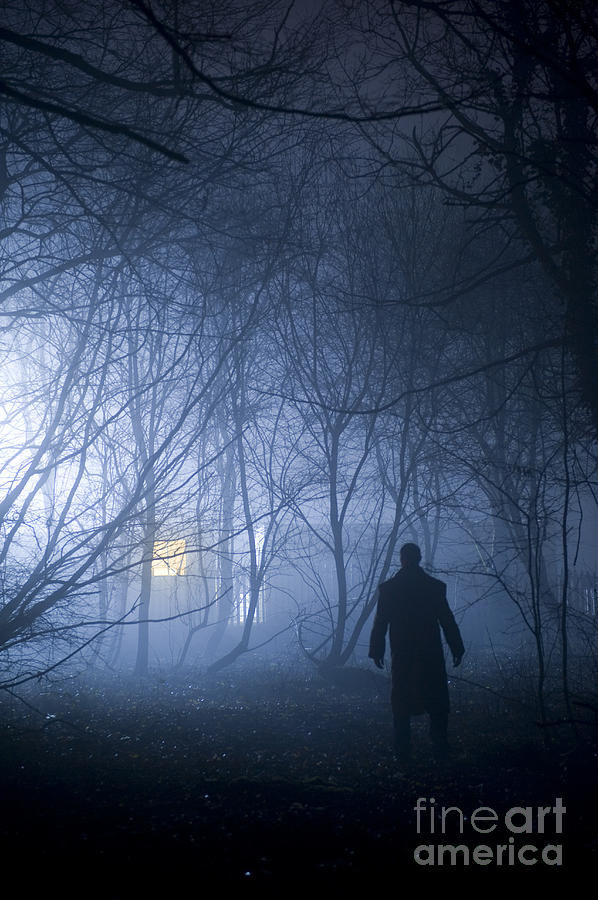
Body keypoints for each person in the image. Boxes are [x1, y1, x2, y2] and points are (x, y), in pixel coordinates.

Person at [369, 542, 464, 763]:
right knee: (437, 699)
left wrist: (377, 650)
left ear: (402, 559)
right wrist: (457, 647)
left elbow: (381, 622)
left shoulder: (389, 589)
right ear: (419, 558)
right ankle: (439, 744)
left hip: (403, 652)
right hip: (430, 651)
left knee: (401, 699)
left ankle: (403, 748)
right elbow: (447, 620)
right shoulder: (434, 587)